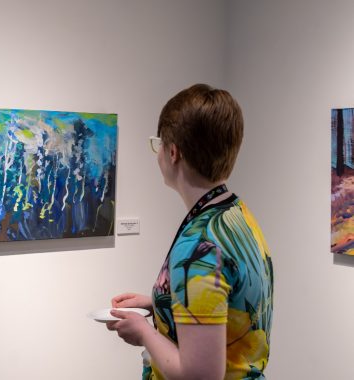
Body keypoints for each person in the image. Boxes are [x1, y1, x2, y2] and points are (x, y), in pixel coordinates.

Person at [107, 84, 274, 380]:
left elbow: (199, 375)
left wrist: (144, 332)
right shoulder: (237, 216)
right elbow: (225, 300)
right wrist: (159, 302)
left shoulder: (200, 246)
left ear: (173, 153)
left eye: (158, 144)